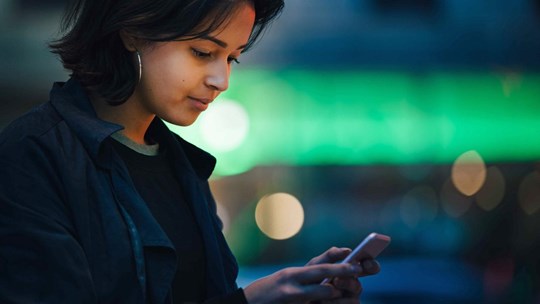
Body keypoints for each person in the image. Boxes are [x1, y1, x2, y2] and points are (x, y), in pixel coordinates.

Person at [0, 0, 381, 303]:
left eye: (232, 58)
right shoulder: (33, 154)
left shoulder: (183, 166)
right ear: (133, 30)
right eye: (202, 52)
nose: (222, 80)